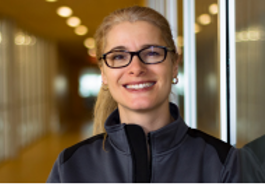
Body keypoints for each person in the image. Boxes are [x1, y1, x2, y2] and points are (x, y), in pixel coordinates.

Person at [46, 6, 240, 183]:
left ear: (174, 66)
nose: (136, 68)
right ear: (104, 73)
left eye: (152, 53)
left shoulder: (225, 164)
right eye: (119, 56)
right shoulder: (71, 167)